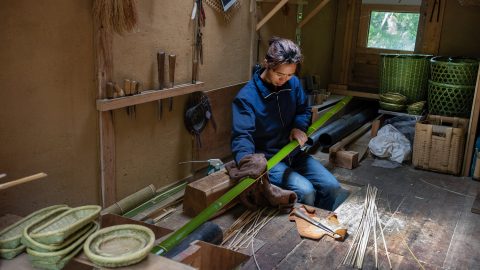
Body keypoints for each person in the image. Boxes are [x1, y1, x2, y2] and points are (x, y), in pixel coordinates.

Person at [231, 37, 343, 211]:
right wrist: (248, 164)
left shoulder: (294, 84)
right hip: (270, 160)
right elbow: (241, 136)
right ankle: (300, 226)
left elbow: (303, 110)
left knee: (332, 187)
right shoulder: (246, 98)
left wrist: (298, 126)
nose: (284, 79)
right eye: (279, 74)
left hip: (294, 153)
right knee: (306, 192)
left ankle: (318, 223)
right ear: (267, 63)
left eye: (290, 74)